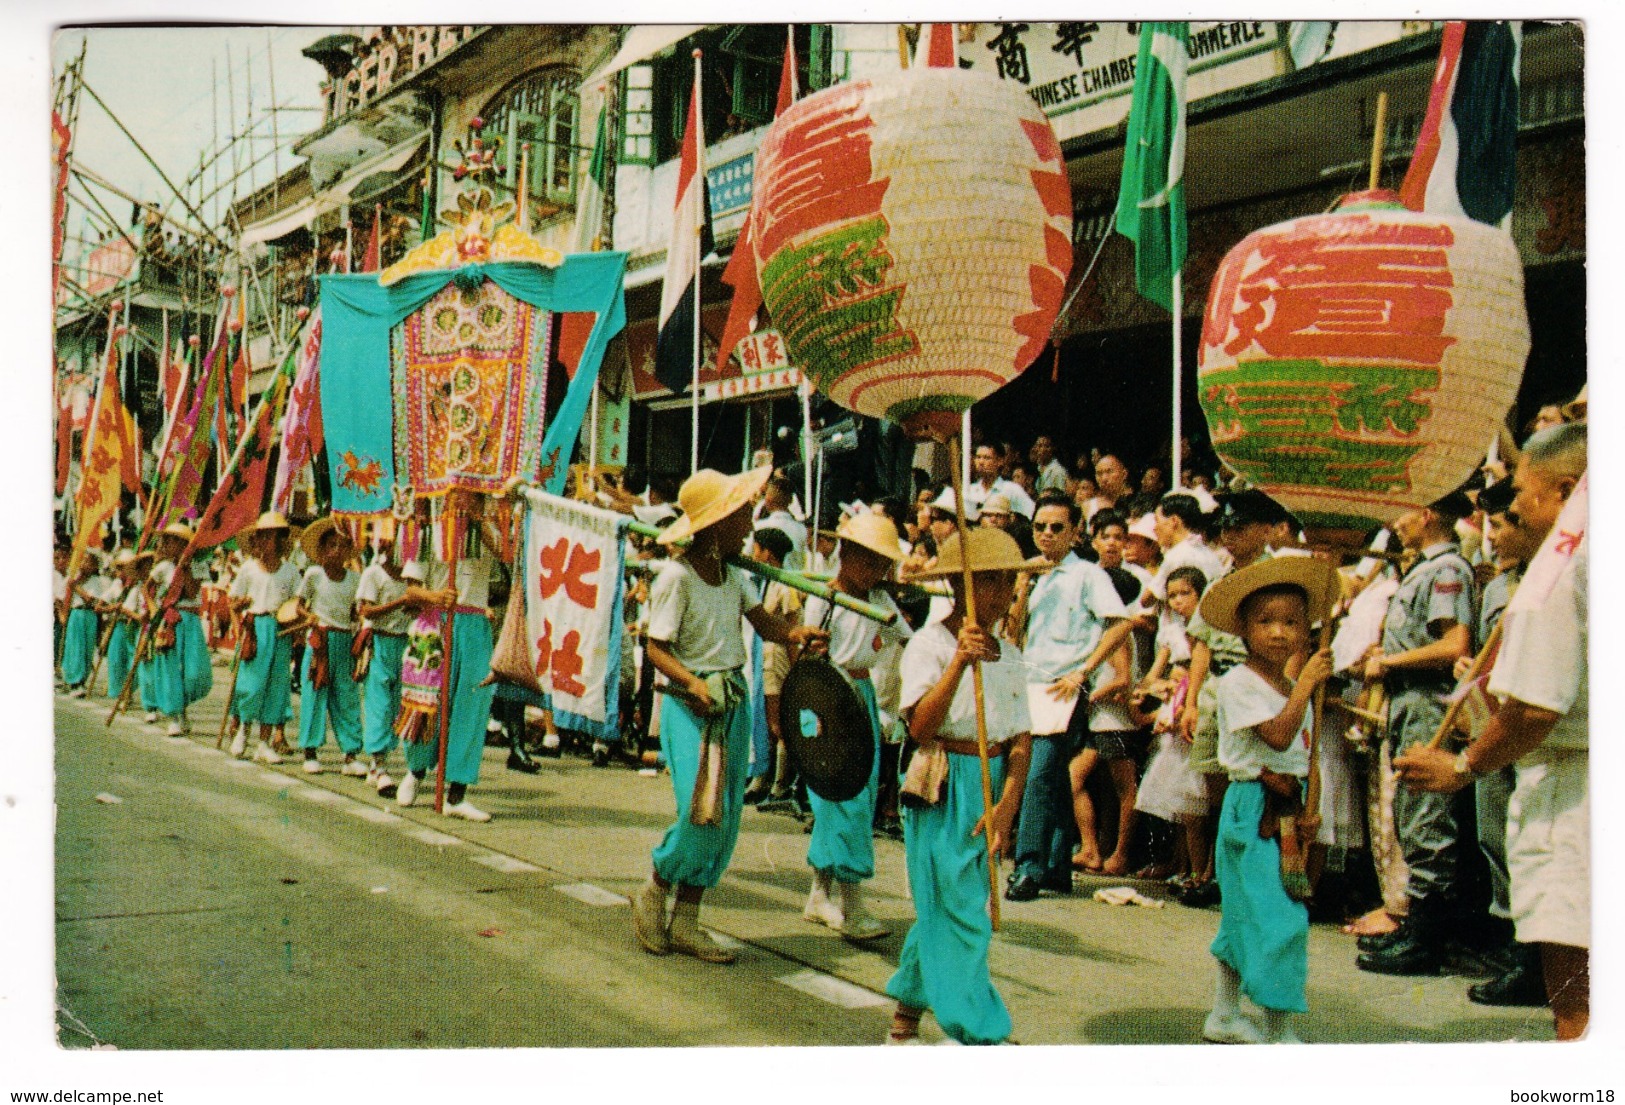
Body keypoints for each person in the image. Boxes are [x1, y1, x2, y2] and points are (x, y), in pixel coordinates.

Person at [1395, 422, 1588, 1039]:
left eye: (1524, 491)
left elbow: (1534, 708)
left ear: (1564, 491)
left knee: (1576, 992)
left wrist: (1463, 765)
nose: (1516, 504)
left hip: (1575, 791)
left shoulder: (1556, 575)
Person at [631, 467, 828, 964]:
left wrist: (796, 633)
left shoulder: (735, 576)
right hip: (691, 703)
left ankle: (688, 921)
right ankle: (655, 888)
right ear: (716, 523)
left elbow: (764, 625)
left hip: (732, 701)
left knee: (724, 819)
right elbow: (656, 648)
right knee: (696, 812)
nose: (748, 522)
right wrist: (694, 682)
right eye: (740, 513)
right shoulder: (676, 577)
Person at [886, 528, 1032, 1046]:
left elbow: (1020, 737)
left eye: (1007, 581)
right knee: (959, 911)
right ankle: (977, 1032)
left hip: (989, 786)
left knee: (956, 905)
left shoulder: (1010, 652)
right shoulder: (928, 644)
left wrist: (1008, 803)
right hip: (942, 780)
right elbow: (921, 727)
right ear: (956, 585)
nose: (1000, 592)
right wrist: (959, 662)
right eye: (986, 581)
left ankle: (906, 1015)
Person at [1197, 555, 1337, 1044]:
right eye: (1266, 621)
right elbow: (1278, 737)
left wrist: (1310, 812)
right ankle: (1278, 1028)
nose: (1279, 632)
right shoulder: (1238, 682)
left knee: (1257, 913)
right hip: (1252, 807)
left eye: (1292, 623)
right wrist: (1305, 685)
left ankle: (1224, 1013)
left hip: (1285, 811)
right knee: (1278, 919)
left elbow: (1302, 757)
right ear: (1243, 628)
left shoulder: (1286, 686)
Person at [1355, 494, 1476, 975]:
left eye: (1405, 513)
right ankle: (1416, 929)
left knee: (1427, 816)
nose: (1396, 524)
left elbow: (1454, 644)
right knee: (1410, 812)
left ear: (1427, 515)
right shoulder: (1422, 569)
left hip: (1428, 700)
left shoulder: (1446, 569)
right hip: (1408, 699)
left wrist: (1388, 661)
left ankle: (1427, 938)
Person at [1008, 492, 1131, 897]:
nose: (1046, 534)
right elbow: (1015, 633)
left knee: (1039, 773)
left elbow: (1120, 624)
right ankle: (1057, 863)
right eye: (1039, 526)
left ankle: (1027, 865)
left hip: (1064, 686)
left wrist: (1085, 670)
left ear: (1075, 531)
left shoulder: (1089, 575)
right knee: (1055, 776)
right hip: (1030, 683)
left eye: (1056, 527)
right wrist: (1023, 586)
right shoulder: (1035, 572)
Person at [799, 513, 911, 941]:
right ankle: (852, 902)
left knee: (857, 799)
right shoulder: (823, 598)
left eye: (883, 562)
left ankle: (819, 893)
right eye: (869, 559)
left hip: (861, 699)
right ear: (847, 555)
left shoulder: (881, 600)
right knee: (838, 800)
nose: (876, 569)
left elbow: (907, 639)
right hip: (826, 698)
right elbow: (808, 656)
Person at [394, 490, 505, 822]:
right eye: (460, 497)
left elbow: (505, 554)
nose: (466, 503)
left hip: (473, 623)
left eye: (474, 497)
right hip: (436, 622)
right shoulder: (427, 532)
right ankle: (415, 771)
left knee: (472, 705)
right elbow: (411, 589)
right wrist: (436, 595)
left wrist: (478, 521)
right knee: (428, 702)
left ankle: (457, 792)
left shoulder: (488, 533)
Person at [291, 517, 365, 774]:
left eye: (342, 546)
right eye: (331, 545)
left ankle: (351, 754)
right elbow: (298, 605)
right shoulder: (313, 574)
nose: (336, 551)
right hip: (319, 641)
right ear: (322, 550)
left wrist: (359, 626)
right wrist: (307, 616)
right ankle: (310, 751)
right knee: (314, 693)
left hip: (344, 640)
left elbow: (356, 611)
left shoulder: (355, 579)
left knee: (347, 696)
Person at [227, 513, 301, 764]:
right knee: (251, 684)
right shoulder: (248, 569)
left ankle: (264, 742)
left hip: (280, 631)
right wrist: (239, 629)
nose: (270, 541)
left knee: (276, 687)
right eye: (265, 536)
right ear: (257, 540)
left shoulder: (291, 572)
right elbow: (233, 603)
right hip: (255, 629)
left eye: (275, 536)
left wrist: (298, 626)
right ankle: (244, 730)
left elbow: (298, 603)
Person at [355, 531, 415, 792]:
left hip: (405, 643)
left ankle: (378, 761)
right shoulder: (373, 574)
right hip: (379, 642)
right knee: (378, 704)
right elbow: (365, 610)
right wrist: (399, 602)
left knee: (396, 706)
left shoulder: (413, 575)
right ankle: (379, 765)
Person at [147, 523, 213, 737]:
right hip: (170, 619)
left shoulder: (198, 565)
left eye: (175, 541)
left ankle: (182, 706)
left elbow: (193, 590)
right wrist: (153, 608)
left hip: (191, 618)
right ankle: (174, 716)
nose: (170, 545)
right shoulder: (162, 568)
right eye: (169, 540)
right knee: (170, 668)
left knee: (195, 672)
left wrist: (184, 567)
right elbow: (147, 588)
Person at [964, 444, 1034, 520]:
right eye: (978, 457)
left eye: (987, 458)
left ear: (1000, 461)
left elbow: (1032, 514)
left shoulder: (1012, 490)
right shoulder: (969, 490)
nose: (981, 462)